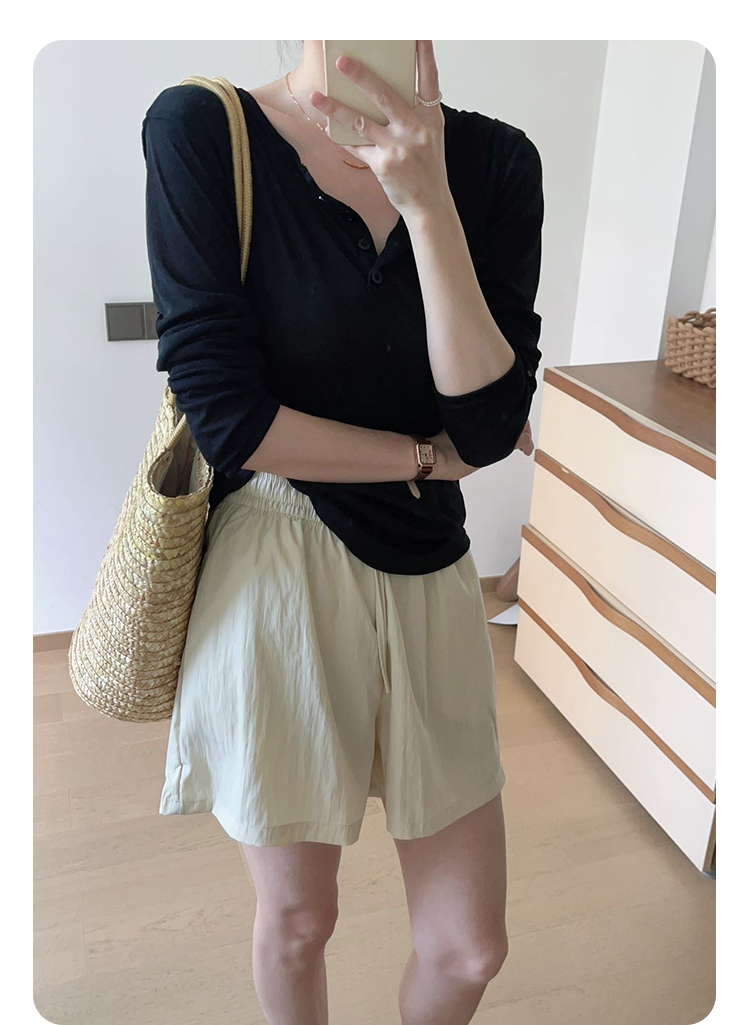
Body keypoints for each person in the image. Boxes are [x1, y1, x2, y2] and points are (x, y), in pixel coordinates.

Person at [141, 38, 542, 1025]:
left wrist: (427, 201)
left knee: (470, 944)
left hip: (431, 566)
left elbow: (488, 426)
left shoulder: (496, 163)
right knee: (298, 919)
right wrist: (421, 456)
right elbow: (233, 420)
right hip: (276, 557)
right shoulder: (206, 131)